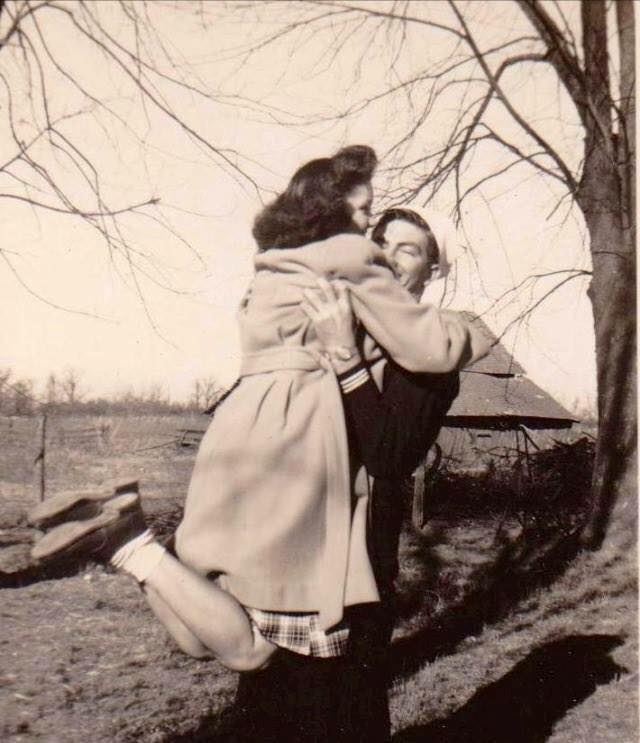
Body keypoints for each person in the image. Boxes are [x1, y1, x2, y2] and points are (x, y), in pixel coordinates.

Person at [29, 149, 488, 735]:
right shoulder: (349, 270)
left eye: (410, 250)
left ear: (433, 270)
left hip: (249, 451)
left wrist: (346, 352)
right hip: (301, 488)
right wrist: (471, 333)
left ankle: (129, 543)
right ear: (337, 216)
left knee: (205, 628)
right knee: (257, 655)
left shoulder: (275, 268)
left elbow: (392, 453)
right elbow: (431, 346)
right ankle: (130, 542)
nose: (384, 254)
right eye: (377, 233)